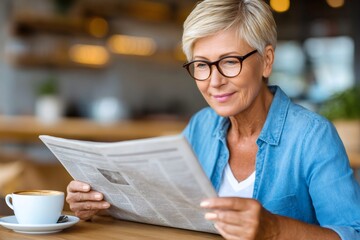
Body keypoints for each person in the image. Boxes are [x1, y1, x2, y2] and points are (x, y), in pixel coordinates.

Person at [66, 0, 360, 239]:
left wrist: (275, 230)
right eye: (202, 65)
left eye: (230, 61)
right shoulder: (200, 127)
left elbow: (352, 232)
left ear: (267, 60)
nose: (214, 81)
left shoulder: (312, 136)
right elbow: (167, 208)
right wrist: (100, 204)